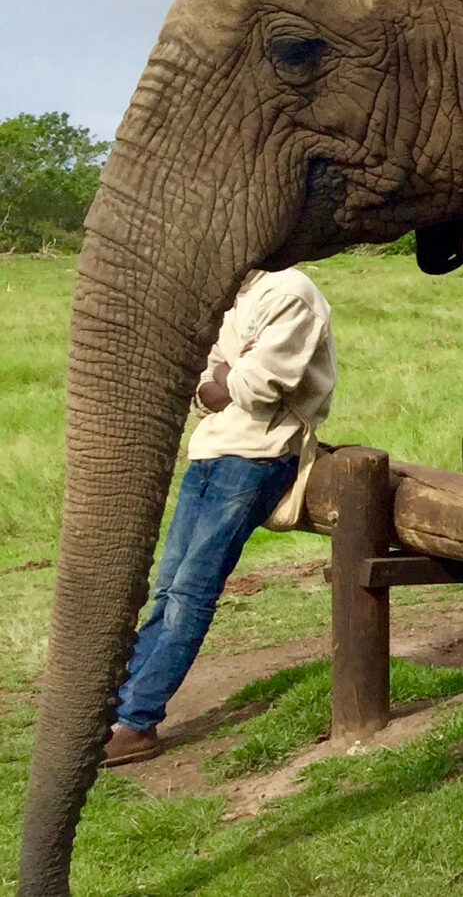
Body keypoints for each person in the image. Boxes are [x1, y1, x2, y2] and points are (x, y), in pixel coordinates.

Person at [102, 267, 335, 766]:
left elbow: (259, 388)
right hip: (209, 453)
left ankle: (137, 722)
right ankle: (120, 707)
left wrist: (232, 378)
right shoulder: (232, 296)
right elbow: (203, 386)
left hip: (258, 456)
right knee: (167, 586)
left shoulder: (290, 293)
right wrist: (228, 378)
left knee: (192, 591)